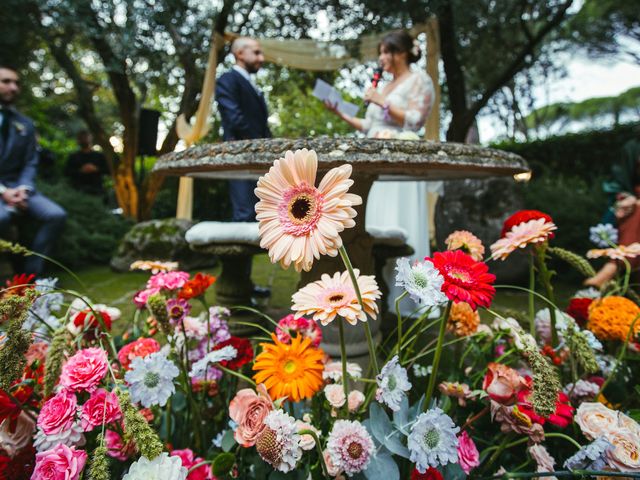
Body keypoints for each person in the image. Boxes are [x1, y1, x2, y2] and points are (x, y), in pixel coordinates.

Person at [325, 30, 436, 310]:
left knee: (398, 223)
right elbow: (369, 126)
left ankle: (408, 302)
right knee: (372, 221)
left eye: (387, 52)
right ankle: (372, 295)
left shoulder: (419, 80)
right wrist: (341, 113)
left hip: (399, 159)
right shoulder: (385, 85)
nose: (382, 58)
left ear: (403, 53)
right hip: (372, 157)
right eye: (381, 52)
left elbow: (415, 120)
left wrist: (381, 101)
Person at [0, 64, 67, 276]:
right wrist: (3, 192)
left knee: (56, 215)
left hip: (20, 187)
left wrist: (23, 189)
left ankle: (30, 276)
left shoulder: (25, 124)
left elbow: (30, 161)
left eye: (17, 83)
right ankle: (7, 272)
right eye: (7, 81)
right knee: (2, 218)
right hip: (2, 190)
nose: (14, 87)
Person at [215, 37, 271, 222]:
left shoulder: (252, 85)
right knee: (245, 213)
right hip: (241, 157)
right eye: (256, 52)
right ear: (239, 53)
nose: (261, 58)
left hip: (260, 160)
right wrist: (260, 145)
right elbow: (235, 118)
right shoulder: (227, 80)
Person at [585, 136, 640, 287]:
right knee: (635, 210)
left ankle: (612, 268)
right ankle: (617, 265)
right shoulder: (633, 147)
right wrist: (626, 198)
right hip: (634, 205)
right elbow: (618, 183)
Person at [64, 130, 109, 198]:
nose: (84, 140)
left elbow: (108, 170)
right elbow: (66, 172)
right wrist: (81, 171)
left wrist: (96, 169)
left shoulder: (99, 156)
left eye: (86, 137)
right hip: (78, 191)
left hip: (97, 190)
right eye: (82, 138)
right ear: (78, 140)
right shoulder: (73, 157)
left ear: (91, 138)